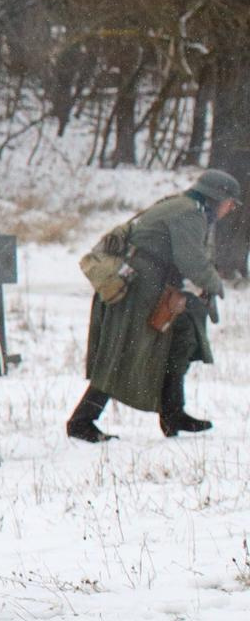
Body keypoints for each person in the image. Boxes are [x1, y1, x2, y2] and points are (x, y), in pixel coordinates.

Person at [69, 170, 238, 442]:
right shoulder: (189, 213)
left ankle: (173, 413)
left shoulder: (185, 206)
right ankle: (81, 421)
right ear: (218, 197)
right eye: (231, 202)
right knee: (124, 352)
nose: (231, 209)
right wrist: (215, 284)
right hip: (138, 287)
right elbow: (192, 261)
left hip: (151, 284)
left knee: (180, 339)